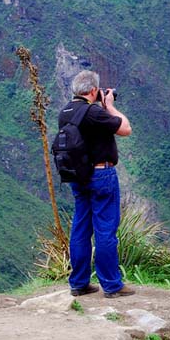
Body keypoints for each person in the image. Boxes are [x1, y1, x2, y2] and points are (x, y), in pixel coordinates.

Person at [60, 70, 134, 299]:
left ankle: (79, 283)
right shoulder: (94, 112)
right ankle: (111, 285)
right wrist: (109, 105)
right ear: (93, 91)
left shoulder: (65, 112)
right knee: (105, 230)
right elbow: (125, 129)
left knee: (81, 229)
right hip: (101, 176)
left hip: (78, 177)